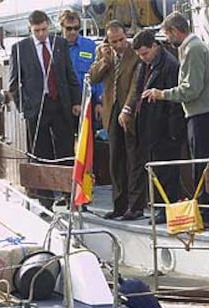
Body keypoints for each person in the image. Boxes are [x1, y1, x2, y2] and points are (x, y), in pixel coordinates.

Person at [142, 12, 209, 228]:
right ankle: (206, 211)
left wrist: (162, 94)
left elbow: (191, 89)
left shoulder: (193, 50)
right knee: (204, 163)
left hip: (202, 114)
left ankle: (206, 215)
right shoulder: (193, 48)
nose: (167, 40)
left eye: (167, 35)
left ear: (175, 31)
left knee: (202, 164)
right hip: (204, 112)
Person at [8, 10, 81, 210]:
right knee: (41, 152)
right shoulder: (20, 49)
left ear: (49, 26)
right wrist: (25, 109)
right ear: (30, 29)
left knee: (66, 151)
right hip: (37, 109)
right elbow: (14, 84)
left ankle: (70, 196)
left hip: (61, 105)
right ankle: (45, 201)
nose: (41, 34)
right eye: (37, 31)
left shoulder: (60, 44)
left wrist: (76, 101)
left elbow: (70, 75)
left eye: (43, 29)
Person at [89, 20, 146, 221]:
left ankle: (136, 205)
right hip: (111, 110)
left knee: (133, 159)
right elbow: (92, 78)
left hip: (129, 112)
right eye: (114, 42)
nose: (118, 45)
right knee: (115, 160)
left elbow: (135, 87)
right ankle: (119, 205)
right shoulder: (106, 54)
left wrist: (128, 109)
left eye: (121, 40)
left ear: (126, 35)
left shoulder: (135, 55)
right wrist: (104, 60)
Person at [132, 30, 186, 224]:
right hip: (150, 126)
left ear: (155, 46)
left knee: (167, 171)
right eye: (140, 55)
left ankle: (167, 209)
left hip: (164, 127)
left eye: (145, 53)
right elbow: (139, 91)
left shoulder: (169, 65)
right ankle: (161, 207)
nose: (143, 58)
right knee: (157, 170)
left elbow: (174, 102)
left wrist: (173, 132)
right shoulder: (146, 64)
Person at [59, 10, 103, 122]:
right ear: (61, 27)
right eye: (69, 28)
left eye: (76, 28)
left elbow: (98, 75)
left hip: (88, 101)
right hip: (64, 104)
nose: (73, 32)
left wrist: (99, 102)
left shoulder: (89, 46)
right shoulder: (55, 47)